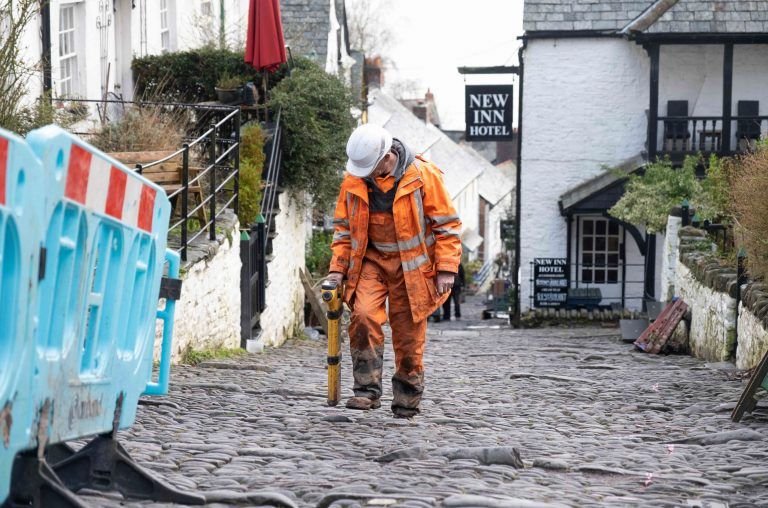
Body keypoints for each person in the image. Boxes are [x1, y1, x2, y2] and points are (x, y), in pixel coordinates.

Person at [326, 123, 462, 418]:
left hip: (411, 269)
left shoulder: (424, 176)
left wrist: (447, 269)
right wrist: (338, 269)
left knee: (409, 337)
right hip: (370, 261)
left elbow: (447, 226)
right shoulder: (354, 180)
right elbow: (343, 230)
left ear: (388, 157)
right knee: (362, 316)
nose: (368, 176)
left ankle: (406, 398)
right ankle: (366, 391)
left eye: (372, 169)